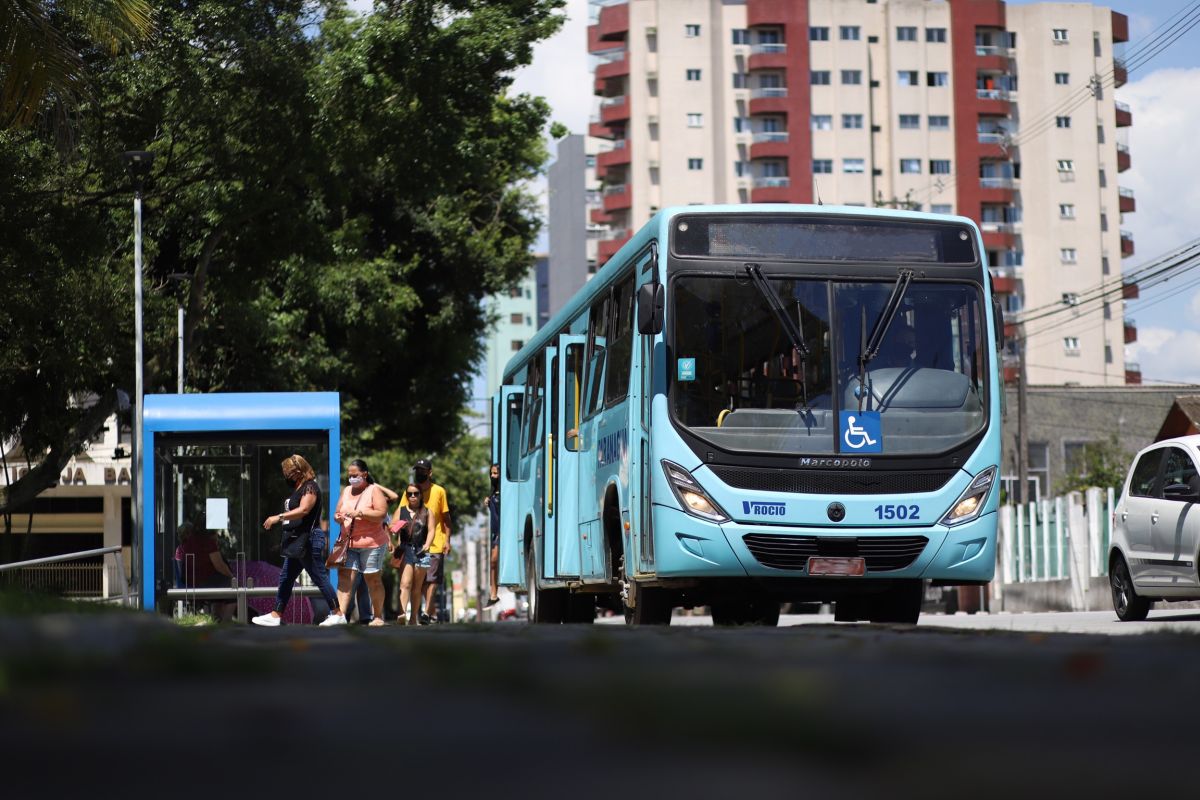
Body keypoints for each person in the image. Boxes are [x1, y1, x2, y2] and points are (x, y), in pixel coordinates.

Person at [253, 454, 343, 627]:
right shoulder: (300, 488)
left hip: (308, 540)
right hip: (297, 540)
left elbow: (304, 510)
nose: (286, 475)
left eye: (288, 471)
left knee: (319, 577)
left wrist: (277, 517)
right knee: (286, 578)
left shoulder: (311, 487)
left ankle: (338, 613)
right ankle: (275, 614)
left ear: (298, 471)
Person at [332, 458, 390, 627]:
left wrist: (361, 513)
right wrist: (338, 517)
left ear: (364, 474)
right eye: (349, 475)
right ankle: (340, 615)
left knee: (372, 579)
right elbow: (337, 512)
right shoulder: (347, 491)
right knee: (344, 578)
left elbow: (381, 513)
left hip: (371, 544)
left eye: (355, 475)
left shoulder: (374, 490)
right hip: (349, 543)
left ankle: (378, 616)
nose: (351, 478)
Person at [411, 458, 451, 624]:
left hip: (436, 542)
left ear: (430, 473)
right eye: (417, 470)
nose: (419, 473)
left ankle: (426, 614)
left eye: (423, 470)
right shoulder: (412, 492)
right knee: (420, 583)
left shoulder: (439, 491)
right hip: (417, 544)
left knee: (432, 579)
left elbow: (446, 518)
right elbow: (404, 513)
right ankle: (431, 612)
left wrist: (447, 540)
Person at [174, 521, 236, 622]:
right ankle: (226, 622)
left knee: (220, 587)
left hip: (190, 582)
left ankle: (216, 620)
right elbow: (219, 565)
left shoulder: (184, 546)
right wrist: (232, 577)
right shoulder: (206, 543)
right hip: (202, 582)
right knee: (233, 587)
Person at [390, 482, 432, 625]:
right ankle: (402, 615)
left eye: (416, 493)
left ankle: (413, 617)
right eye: (409, 494)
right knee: (405, 583)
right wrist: (398, 525)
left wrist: (427, 544)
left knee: (417, 587)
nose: (412, 496)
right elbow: (391, 527)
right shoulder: (401, 510)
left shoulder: (427, 512)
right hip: (406, 549)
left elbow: (431, 530)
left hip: (422, 551)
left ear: (421, 495)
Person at [484, 463, 501, 608]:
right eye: (491, 473)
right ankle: (493, 595)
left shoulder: (506, 492)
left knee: (495, 560)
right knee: (493, 562)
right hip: (496, 533)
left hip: (504, 532)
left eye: (496, 473)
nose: (493, 476)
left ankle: (495, 593)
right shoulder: (492, 493)